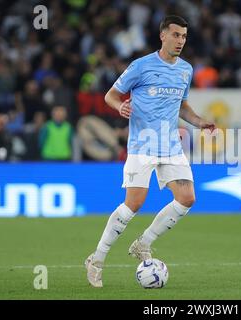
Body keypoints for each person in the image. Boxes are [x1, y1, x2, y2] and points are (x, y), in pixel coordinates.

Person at [84, 15, 215, 288]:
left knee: (187, 198)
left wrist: (200, 122)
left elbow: (181, 106)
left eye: (184, 37)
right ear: (163, 35)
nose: (180, 41)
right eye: (176, 35)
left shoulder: (185, 70)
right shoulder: (141, 66)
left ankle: (142, 243)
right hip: (142, 145)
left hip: (170, 145)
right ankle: (96, 260)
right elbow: (111, 95)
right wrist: (119, 107)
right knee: (134, 204)